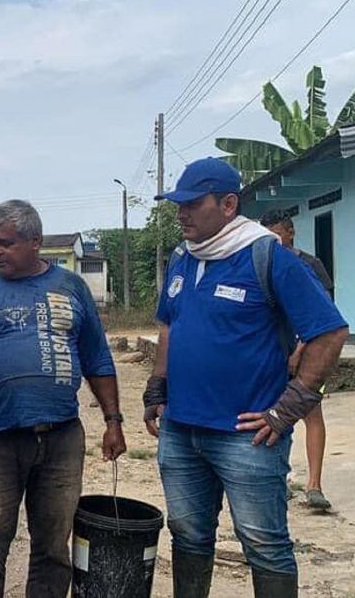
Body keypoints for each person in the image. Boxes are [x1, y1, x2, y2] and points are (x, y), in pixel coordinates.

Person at [145, 158, 348, 598]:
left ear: (228, 204)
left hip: (248, 436)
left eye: (193, 204)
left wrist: (289, 406)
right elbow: (168, 326)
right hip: (180, 430)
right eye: (178, 204)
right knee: (188, 535)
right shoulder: (183, 259)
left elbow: (330, 331)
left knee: (263, 544)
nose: (182, 213)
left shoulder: (267, 256)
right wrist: (156, 387)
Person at [0, 200, 125, 598]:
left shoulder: (71, 286)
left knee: (53, 548)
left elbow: (97, 357)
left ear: (35, 243)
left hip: (62, 439)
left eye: (6, 243)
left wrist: (113, 421)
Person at [260, 209, 335, 511]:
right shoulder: (261, 265)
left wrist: (300, 351)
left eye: (277, 233)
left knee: (311, 414)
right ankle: (280, 479)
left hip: (306, 355)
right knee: (273, 415)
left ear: (290, 232)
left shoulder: (310, 265)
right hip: (273, 355)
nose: (273, 240)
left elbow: (324, 318)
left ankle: (314, 486)